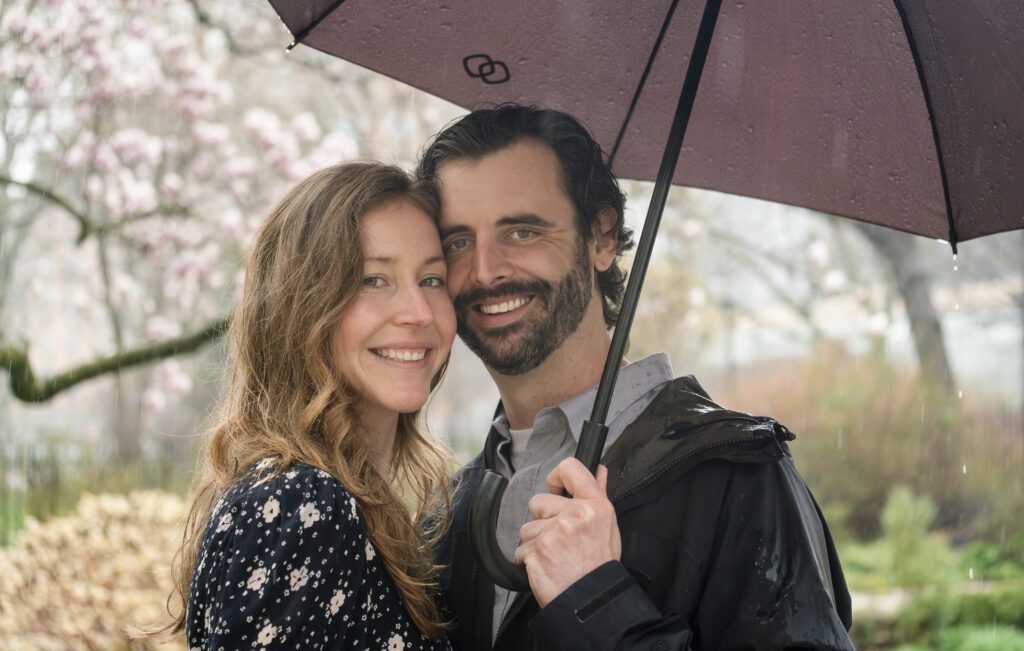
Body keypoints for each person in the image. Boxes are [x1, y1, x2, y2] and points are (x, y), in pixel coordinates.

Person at [416, 105, 855, 650]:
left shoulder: (734, 476)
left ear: (601, 238)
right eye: (458, 241)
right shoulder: (452, 508)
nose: (485, 270)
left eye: (522, 231)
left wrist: (599, 604)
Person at [168, 163, 457, 649]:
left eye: (432, 279)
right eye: (373, 280)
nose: (419, 313)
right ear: (302, 307)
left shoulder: (354, 502)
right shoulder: (300, 505)